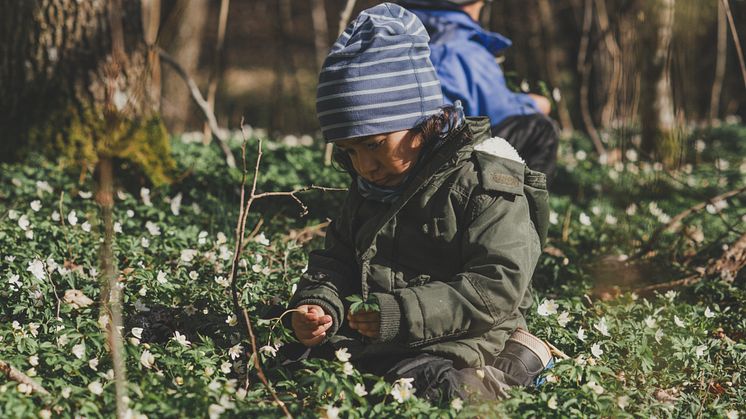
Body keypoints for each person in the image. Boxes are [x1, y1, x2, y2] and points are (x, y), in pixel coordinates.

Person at [285, 3, 552, 402]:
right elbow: (338, 258)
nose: (364, 166)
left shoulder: (483, 182)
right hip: (376, 334)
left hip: (459, 335)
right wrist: (317, 305)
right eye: (350, 151)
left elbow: (497, 284)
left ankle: (513, 368)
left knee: (422, 388)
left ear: (421, 120)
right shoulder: (371, 186)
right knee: (295, 364)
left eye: (374, 146)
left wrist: (400, 314)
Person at [397, 0, 559, 184]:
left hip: (395, 162)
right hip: (437, 172)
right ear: (470, 5)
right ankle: (522, 209)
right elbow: (499, 111)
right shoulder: (460, 47)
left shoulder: (398, 37)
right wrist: (534, 104)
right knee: (540, 129)